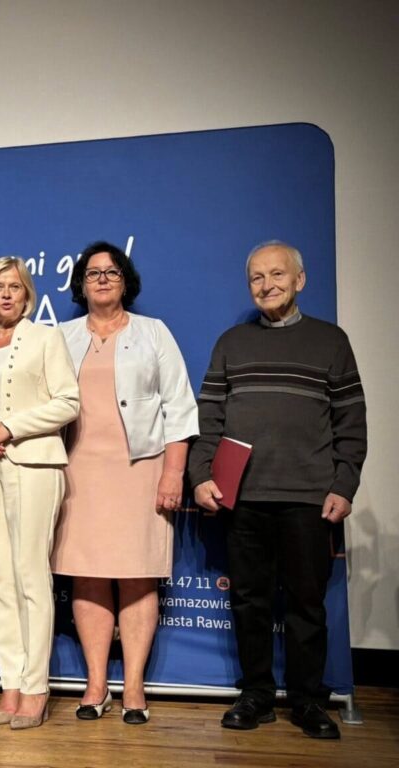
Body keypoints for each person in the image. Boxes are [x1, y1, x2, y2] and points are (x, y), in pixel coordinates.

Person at [189, 240, 366, 740]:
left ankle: (309, 702)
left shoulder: (331, 342)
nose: (266, 285)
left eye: (277, 275)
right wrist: (201, 475)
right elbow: (208, 418)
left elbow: (351, 421)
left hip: (309, 498)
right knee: (250, 602)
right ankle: (256, 696)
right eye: (257, 278)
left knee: (307, 605)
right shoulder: (231, 343)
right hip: (243, 498)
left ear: (299, 280)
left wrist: (345, 483)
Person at [52, 241, 197, 725]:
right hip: (77, 472)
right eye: (93, 273)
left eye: (111, 272)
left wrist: (174, 472)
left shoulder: (153, 332)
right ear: (81, 283)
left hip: (141, 469)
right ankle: (96, 685)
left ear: (126, 281)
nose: (102, 279)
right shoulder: (61, 337)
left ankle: (134, 686)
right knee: (87, 574)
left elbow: (180, 407)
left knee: (138, 574)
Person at [0, 257, 79, 729]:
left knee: (31, 577)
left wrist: (8, 427)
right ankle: (10, 685)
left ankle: (35, 688)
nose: (6, 294)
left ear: (27, 295)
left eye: (15, 287)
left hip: (35, 466)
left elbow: (68, 402)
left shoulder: (46, 339)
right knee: (0, 582)